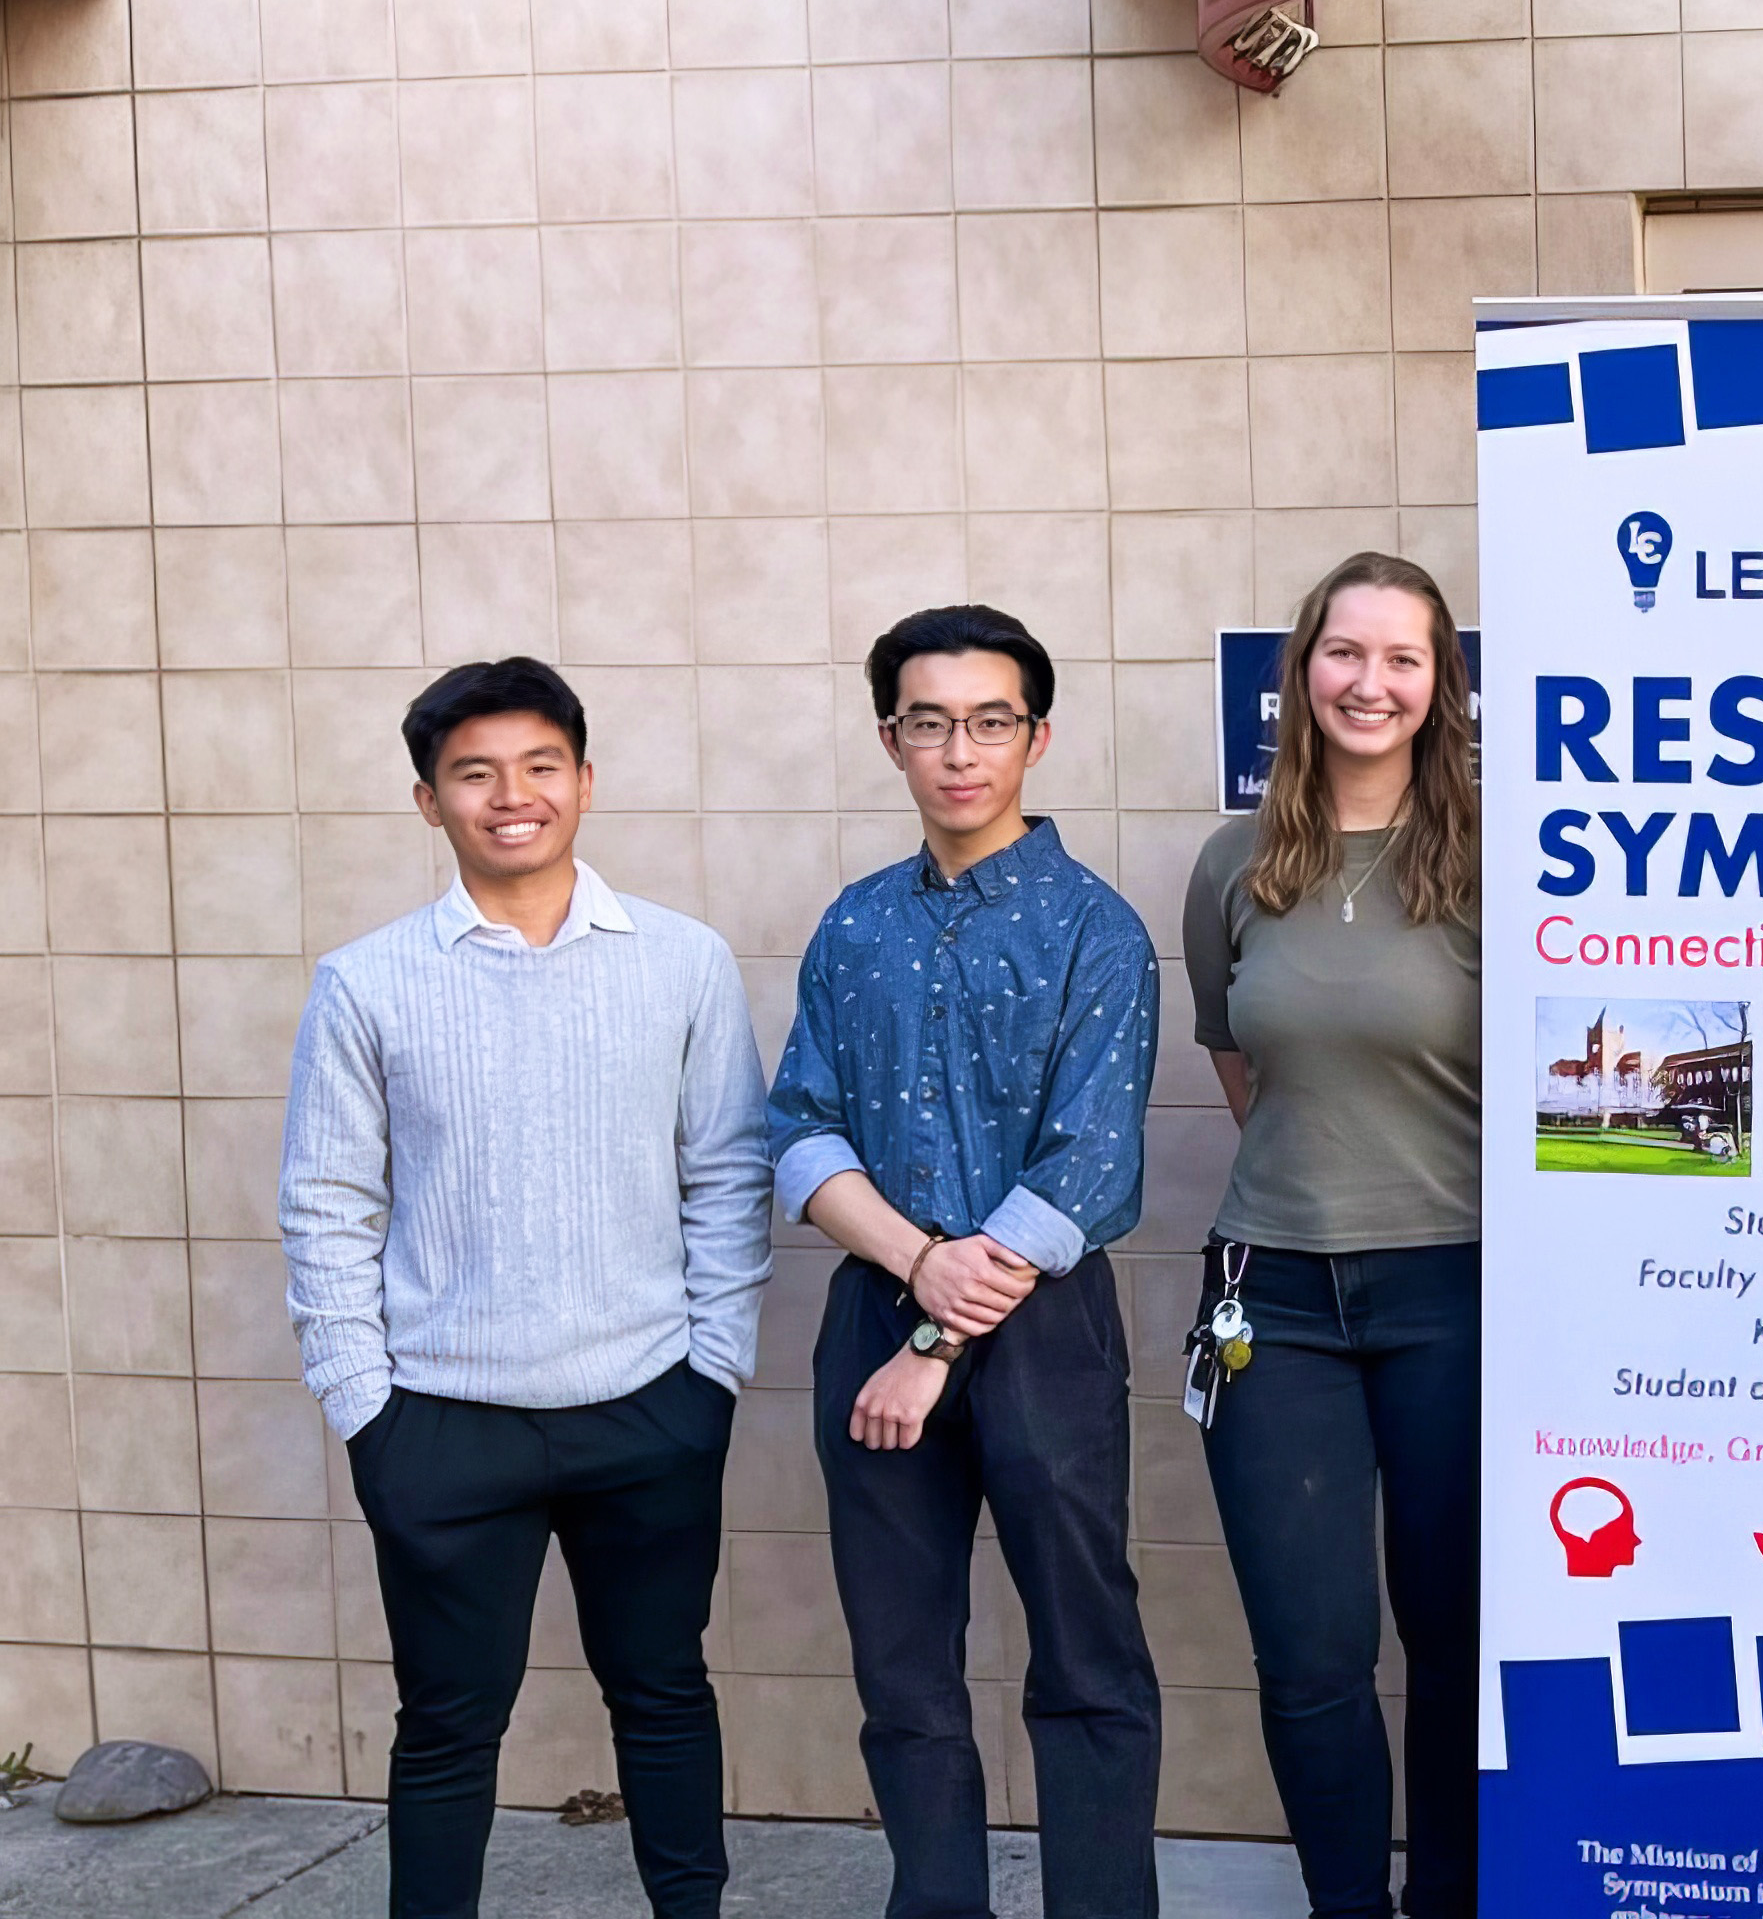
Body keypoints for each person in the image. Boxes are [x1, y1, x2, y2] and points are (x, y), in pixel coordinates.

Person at [280, 658, 769, 1919]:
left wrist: (711, 1370)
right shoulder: (365, 982)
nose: (513, 796)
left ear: (586, 783)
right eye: (475, 773)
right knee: (446, 1727)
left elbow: (727, 1175)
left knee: (663, 1696)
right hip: (440, 1421)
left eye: (541, 766)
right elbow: (327, 1204)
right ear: (427, 801)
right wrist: (366, 1410)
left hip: (649, 1405)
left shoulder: (683, 961)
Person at [770, 605, 1163, 1919]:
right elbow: (799, 1126)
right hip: (872, 1319)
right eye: (929, 722)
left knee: (1085, 1658)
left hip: (1043, 1335)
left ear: (1036, 737)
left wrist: (940, 1334)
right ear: (891, 738)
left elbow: (1090, 1164)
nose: (960, 750)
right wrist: (914, 1269)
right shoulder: (855, 926)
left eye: (991, 721)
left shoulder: (1093, 932)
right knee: (904, 1673)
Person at [1180, 552, 1486, 1919]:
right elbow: (1241, 1069)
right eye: (1345, 653)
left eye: (1403, 658)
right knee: (1308, 1656)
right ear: (1302, 671)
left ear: (1440, 684)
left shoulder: (1501, 857)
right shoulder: (1232, 865)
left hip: (1460, 1290)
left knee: (1457, 1639)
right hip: (1274, 1298)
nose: (1371, 682)